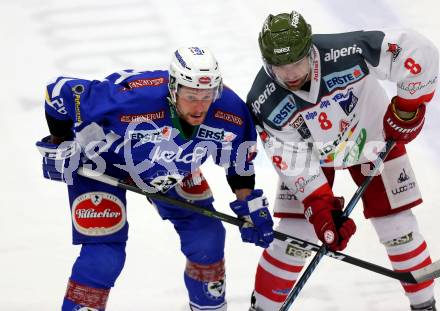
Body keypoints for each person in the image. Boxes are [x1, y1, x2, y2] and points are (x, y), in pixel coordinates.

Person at [36, 46, 274, 311]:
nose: (199, 106)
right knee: (104, 258)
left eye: (207, 96)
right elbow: (58, 92)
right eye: (191, 96)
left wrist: (248, 204)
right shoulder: (133, 98)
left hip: (168, 166)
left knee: (207, 236)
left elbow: (238, 161)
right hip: (102, 164)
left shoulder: (229, 110)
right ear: (173, 89)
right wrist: (60, 143)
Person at [245, 11, 438, 311]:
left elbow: (415, 50)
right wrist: (319, 209)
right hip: (313, 155)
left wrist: (407, 107)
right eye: (280, 68)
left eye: (297, 63)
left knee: (397, 228)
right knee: (294, 235)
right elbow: (292, 160)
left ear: (310, 49)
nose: (291, 74)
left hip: (373, 139)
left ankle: (424, 305)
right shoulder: (263, 100)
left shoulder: (346, 50)